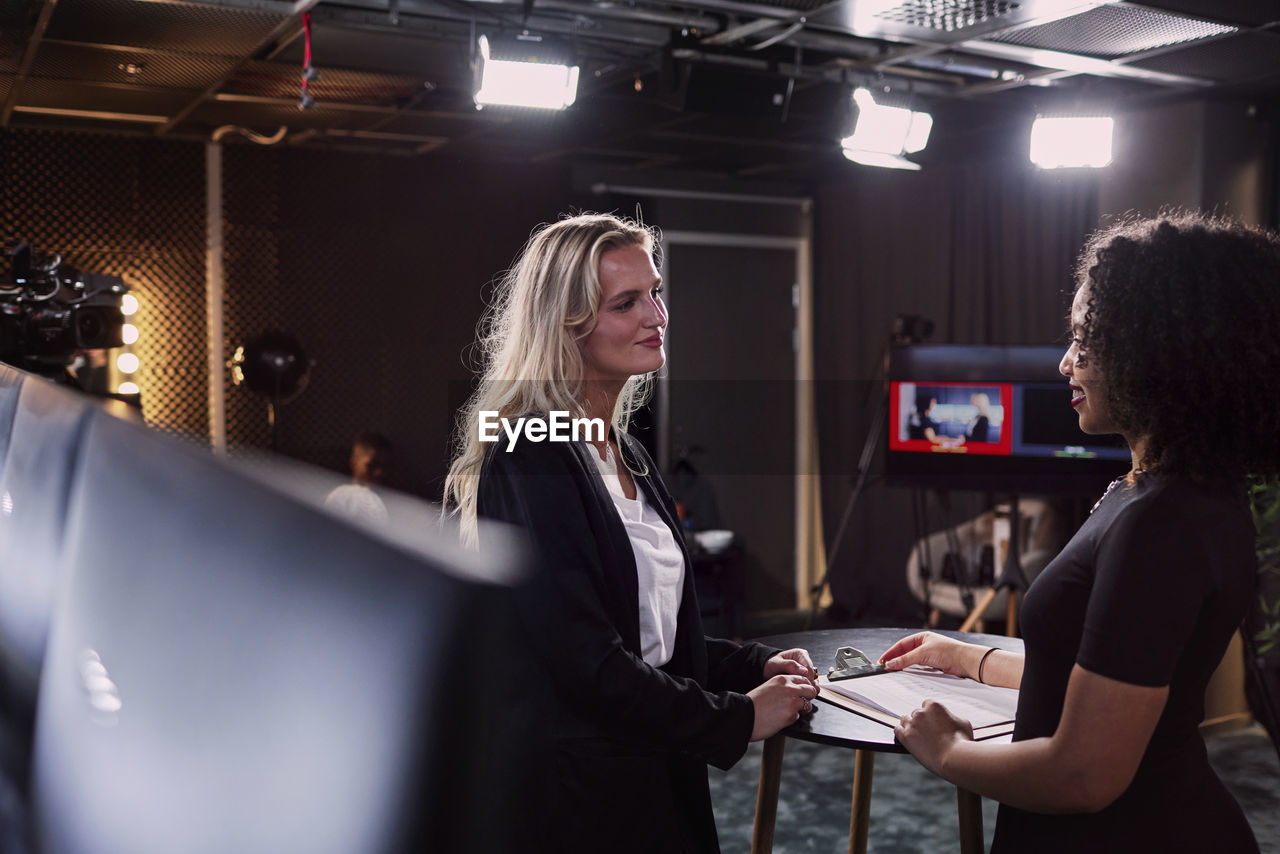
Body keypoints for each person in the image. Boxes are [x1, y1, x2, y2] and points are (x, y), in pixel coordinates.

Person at [879, 212, 1280, 853]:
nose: (1067, 363)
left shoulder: (1163, 522)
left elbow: (1083, 774)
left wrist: (947, 751)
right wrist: (966, 656)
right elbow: (1100, 676)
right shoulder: (1164, 492)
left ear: (1158, 353)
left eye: (1086, 344)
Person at [443, 213, 818, 853]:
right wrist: (740, 716)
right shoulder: (526, 449)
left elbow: (653, 638)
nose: (656, 315)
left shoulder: (628, 453)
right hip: (574, 802)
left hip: (652, 774)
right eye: (626, 303)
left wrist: (751, 664)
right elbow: (584, 661)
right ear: (567, 327)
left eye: (655, 292)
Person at [324, 431, 390, 524]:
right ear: (354, 463)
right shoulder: (336, 498)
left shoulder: (395, 505)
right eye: (372, 465)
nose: (379, 472)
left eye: (384, 466)